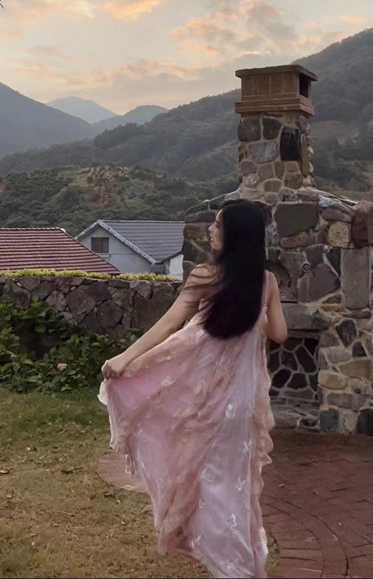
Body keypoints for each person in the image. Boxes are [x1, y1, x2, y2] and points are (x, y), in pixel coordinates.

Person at [99, 199, 288, 579]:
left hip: (207, 402)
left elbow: (169, 325)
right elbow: (279, 334)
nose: (211, 230)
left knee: (202, 479)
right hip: (241, 407)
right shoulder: (267, 282)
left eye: (218, 225)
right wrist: (258, 314)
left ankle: (229, 566)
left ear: (233, 235)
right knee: (235, 487)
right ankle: (243, 564)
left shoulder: (206, 276)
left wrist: (125, 358)